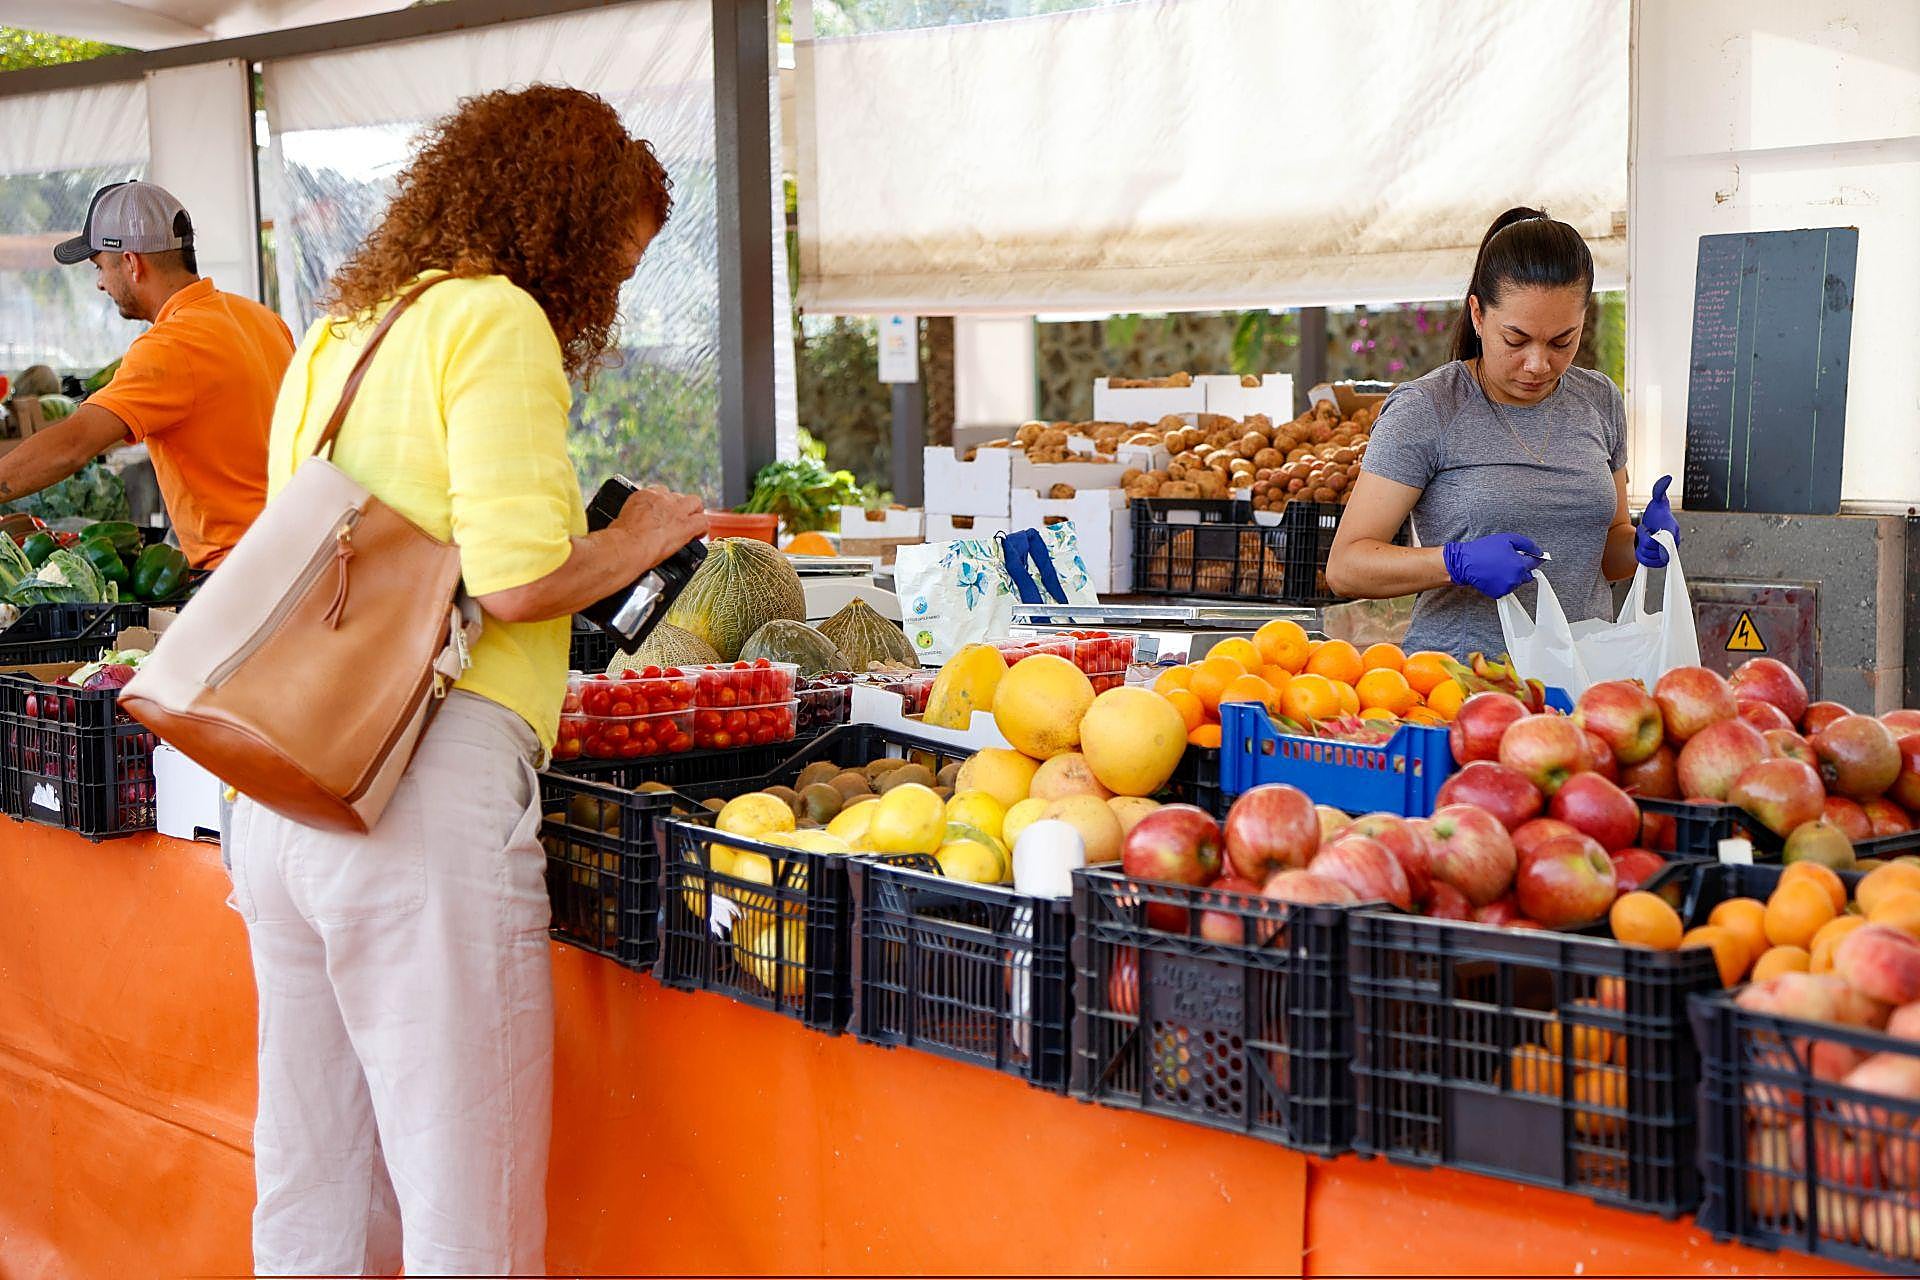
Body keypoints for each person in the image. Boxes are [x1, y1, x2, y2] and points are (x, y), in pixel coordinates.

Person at [225, 86, 708, 1276]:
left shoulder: (345, 330)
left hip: (288, 783)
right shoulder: (495, 320)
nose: (614, 287)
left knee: (313, 1179)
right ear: (563, 218)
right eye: (617, 254)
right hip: (418, 789)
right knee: (465, 1207)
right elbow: (517, 582)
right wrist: (646, 534)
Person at [1325, 207, 1680, 658]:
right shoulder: (1428, 408)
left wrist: (1640, 541)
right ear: (1478, 314)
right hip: (1461, 686)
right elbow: (1346, 566)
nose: (1538, 364)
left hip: (1582, 677)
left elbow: (1606, 554)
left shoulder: (1599, 400)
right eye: (1516, 340)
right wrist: (1455, 563)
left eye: (1561, 341)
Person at [0, 181, 295, 567]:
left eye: (100, 267)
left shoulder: (168, 346)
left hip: (239, 571)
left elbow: (72, 445)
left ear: (132, 263)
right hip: (296, 550)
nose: (100, 283)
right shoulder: (261, 318)